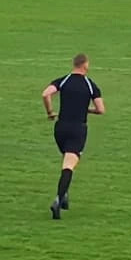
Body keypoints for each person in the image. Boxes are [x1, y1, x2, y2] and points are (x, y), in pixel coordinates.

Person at [42, 53, 104, 219]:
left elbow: (46, 94)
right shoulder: (90, 85)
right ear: (85, 65)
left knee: (66, 160)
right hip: (78, 129)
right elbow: (101, 109)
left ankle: (64, 196)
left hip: (60, 129)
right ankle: (58, 199)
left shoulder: (63, 80)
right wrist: (87, 110)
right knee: (69, 165)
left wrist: (50, 112)